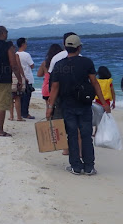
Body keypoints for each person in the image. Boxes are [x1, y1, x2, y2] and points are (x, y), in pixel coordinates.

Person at [46, 34, 111, 175]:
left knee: (72, 135)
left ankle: (76, 166)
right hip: (84, 104)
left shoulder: (59, 65)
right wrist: (104, 103)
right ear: (79, 47)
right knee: (86, 134)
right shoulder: (87, 62)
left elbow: (55, 88)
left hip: (67, 105)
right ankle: (89, 167)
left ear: (65, 47)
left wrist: (50, 107)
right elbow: (95, 83)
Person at [92, 66, 116, 136]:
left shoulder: (97, 81)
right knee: (106, 116)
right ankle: (105, 131)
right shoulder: (109, 82)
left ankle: (96, 132)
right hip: (106, 101)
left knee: (97, 116)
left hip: (97, 101)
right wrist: (114, 102)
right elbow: (113, 92)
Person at [16, 38, 35, 119]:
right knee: (27, 96)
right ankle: (25, 113)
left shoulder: (15, 54)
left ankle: (21, 112)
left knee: (20, 97)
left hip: (19, 77)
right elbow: (32, 65)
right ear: (23, 44)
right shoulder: (26, 55)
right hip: (27, 76)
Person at [9, 42, 25, 121]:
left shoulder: (5, 56)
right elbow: (18, 67)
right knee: (17, 97)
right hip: (15, 76)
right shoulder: (15, 56)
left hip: (8, 77)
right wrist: (22, 77)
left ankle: (11, 116)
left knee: (10, 98)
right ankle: (18, 117)